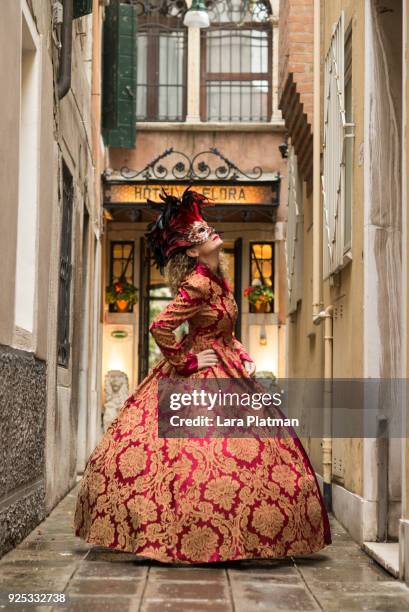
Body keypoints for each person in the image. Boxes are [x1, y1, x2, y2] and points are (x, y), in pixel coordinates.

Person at [73, 187, 331, 563]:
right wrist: (188, 362)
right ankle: (187, 536)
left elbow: (225, 329)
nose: (210, 233)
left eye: (208, 229)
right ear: (192, 252)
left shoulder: (220, 282)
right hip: (200, 373)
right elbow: (160, 326)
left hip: (227, 369)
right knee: (195, 455)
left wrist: (240, 352)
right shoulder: (196, 283)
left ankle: (237, 533)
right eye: (200, 234)